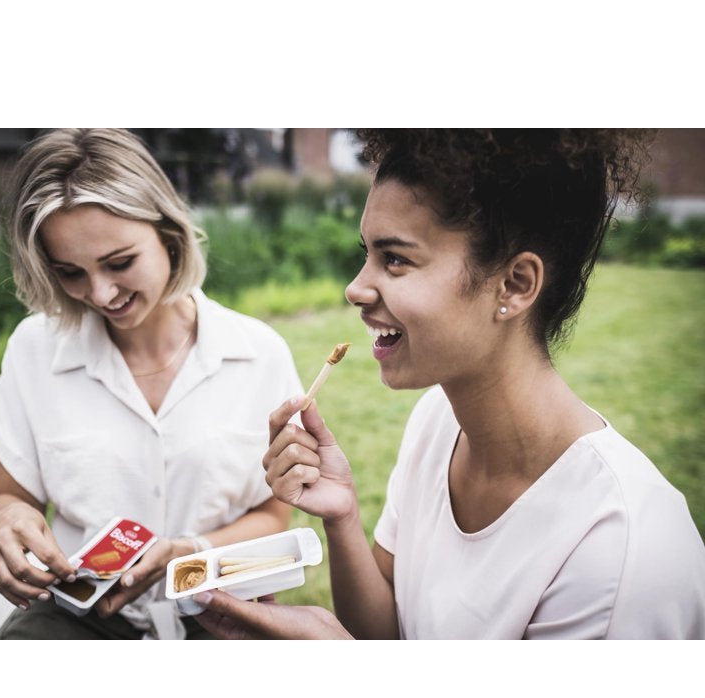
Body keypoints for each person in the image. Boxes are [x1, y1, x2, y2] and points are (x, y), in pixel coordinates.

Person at [192, 129, 705, 640]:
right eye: (367, 253)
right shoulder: (438, 420)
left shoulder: (621, 546)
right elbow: (387, 633)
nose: (355, 287)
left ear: (515, 284)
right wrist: (343, 515)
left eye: (395, 259)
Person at [0, 128, 302, 639]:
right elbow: (10, 497)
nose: (101, 294)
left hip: (217, 610)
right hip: (77, 617)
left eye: (119, 263)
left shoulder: (260, 355)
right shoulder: (34, 348)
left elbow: (274, 516)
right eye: (70, 272)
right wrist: (4, 523)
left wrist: (187, 553)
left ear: (168, 233)